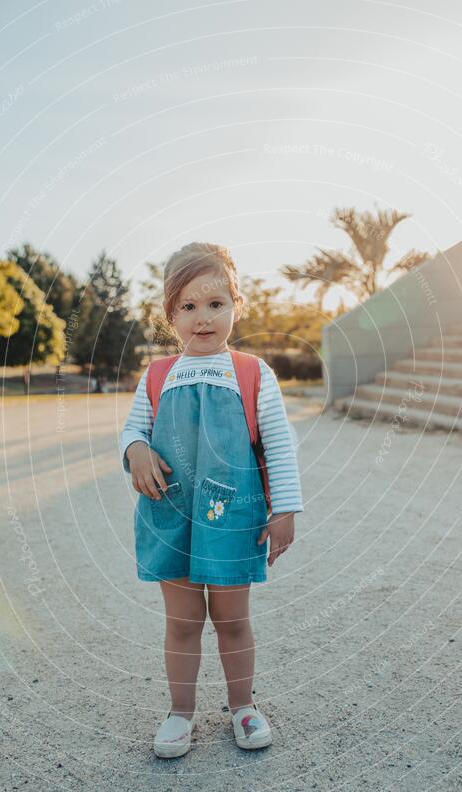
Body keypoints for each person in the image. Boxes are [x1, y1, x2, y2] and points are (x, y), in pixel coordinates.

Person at [119, 242, 304, 758]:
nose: (203, 318)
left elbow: (278, 441)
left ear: (234, 305)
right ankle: (179, 714)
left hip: (231, 518)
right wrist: (134, 449)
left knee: (232, 620)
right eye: (189, 307)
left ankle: (243, 707)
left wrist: (285, 508)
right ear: (171, 314)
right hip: (170, 514)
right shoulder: (157, 375)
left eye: (215, 304)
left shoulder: (251, 372)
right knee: (181, 623)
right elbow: (135, 429)